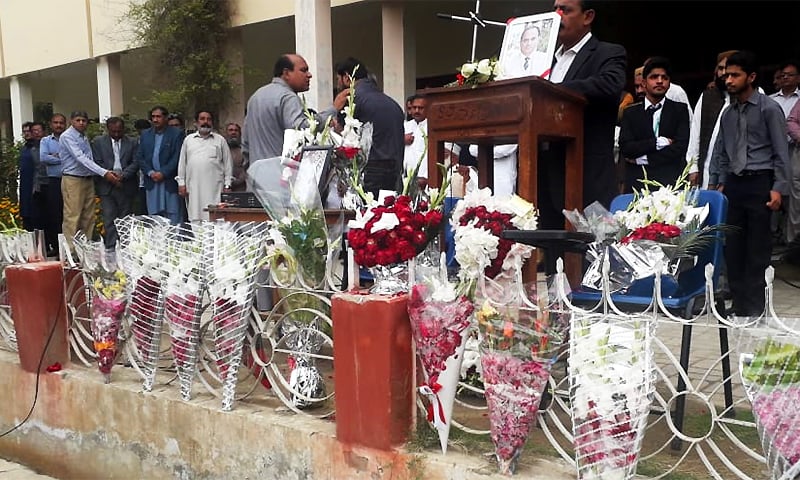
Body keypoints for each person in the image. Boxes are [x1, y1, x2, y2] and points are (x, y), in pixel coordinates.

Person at [539, 0, 626, 273]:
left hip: (588, 173)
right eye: (555, 8)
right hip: (548, 173)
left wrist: (552, 90)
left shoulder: (608, 53)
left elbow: (610, 86)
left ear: (587, 16)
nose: (557, 15)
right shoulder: (545, 60)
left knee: (595, 257)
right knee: (557, 262)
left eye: (565, 10)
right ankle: (558, 313)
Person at [709, 51, 790, 317]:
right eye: (726, 75)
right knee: (733, 246)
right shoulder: (727, 114)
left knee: (758, 247)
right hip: (734, 184)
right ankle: (740, 304)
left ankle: (756, 305)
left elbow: (781, 151)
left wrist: (778, 187)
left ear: (751, 77)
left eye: (735, 75)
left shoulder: (769, 108)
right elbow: (722, 152)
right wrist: (720, 183)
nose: (728, 80)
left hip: (759, 182)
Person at [242, 53, 342, 163]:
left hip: (257, 174)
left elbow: (246, 143)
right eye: (303, 70)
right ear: (286, 73)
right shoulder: (288, 97)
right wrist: (332, 110)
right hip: (281, 173)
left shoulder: (255, 97)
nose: (309, 75)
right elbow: (302, 128)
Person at [334, 57, 405, 195]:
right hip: (395, 169)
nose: (338, 85)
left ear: (347, 78)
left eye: (338, 79)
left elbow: (344, 136)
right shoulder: (391, 102)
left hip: (370, 171)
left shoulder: (351, 98)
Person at [619, 57, 690, 192]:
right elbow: (626, 148)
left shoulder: (679, 110)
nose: (659, 81)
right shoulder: (630, 113)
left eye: (664, 77)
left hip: (670, 185)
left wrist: (642, 159)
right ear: (644, 83)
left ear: (669, 83)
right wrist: (657, 143)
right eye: (654, 77)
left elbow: (679, 148)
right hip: (638, 185)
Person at [59, 111, 121, 245]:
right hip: (73, 179)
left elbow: (90, 159)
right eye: (78, 120)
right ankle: (70, 252)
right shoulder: (67, 136)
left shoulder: (83, 136)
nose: (81, 123)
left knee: (88, 216)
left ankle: (84, 248)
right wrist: (104, 173)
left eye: (84, 120)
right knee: (73, 216)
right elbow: (81, 158)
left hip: (87, 178)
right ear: (71, 121)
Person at [687, 50, 738, 190]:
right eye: (720, 68)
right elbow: (695, 134)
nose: (723, 73)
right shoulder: (707, 97)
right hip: (707, 169)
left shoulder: (753, 97)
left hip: (739, 173)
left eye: (727, 68)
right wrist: (692, 168)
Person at [91, 117, 139, 249]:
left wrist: (122, 176)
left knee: (125, 220)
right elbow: (96, 162)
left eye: (119, 131)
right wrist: (110, 176)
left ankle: (125, 248)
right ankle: (111, 249)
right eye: (113, 132)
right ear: (108, 129)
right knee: (109, 218)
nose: (117, 134)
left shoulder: (133, 142)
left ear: (123, 129)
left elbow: (136, 162)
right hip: (106, 186)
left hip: (126, 185)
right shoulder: (98, 142)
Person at [176, 111, 232, 221]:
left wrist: (227, 185)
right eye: (202, 119)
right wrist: (181, 183)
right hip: (194, 187)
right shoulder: (188, 140)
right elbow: (182, 163)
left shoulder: (220, 140)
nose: (205, 122)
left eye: (208, 119)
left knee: (216, 218)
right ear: (196, 122)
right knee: (195, 216)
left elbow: (228, 164)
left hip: (215, 188)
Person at [136, 106, 185, 224]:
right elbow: (140, 157)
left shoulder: (176, 134)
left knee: (173, 214)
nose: (155, 120)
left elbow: (177, 157)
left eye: (158, 116)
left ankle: (175, 241)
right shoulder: (145, 135)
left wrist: (163, 173)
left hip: (169, 181)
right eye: (153, 117)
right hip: (152, 181)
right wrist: (150, 172)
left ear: (166, 118)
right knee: (155, 217)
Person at [40, 114, 67, 255]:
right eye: (56, 123)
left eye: (61, 123)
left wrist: (56, 156)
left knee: (68, 214)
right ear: (51, 124)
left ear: (65, 124)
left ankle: (69, 247)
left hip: (69, 180)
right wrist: (64, 158)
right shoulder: (45, 141)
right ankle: (57, 248)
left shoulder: (69, 139)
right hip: (54, 181)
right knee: (55, 214)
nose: (58, 125)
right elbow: (43, 157)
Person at [403, 94, 428, 187]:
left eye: (421, 108)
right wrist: (402, 140)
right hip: (405, 179)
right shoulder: (405, 126)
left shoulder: (432, 128)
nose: (417, 111)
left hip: (424, 179)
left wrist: (426, 177)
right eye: (414, 107)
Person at [18, 122, 36, 231]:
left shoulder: (38, 147)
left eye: (28, 131)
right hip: (25, 184)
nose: (26, 134)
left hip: (35, 182)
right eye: (24, 132)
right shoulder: (24, 148)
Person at [225, 122, 247, 192]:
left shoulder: (244, 150)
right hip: (224, 189)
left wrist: (238, 181)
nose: (233, 132)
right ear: (226, 133)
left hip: (241, 189)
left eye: (236, 130)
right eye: (230, 130)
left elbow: (247, 167)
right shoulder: (221, 150)